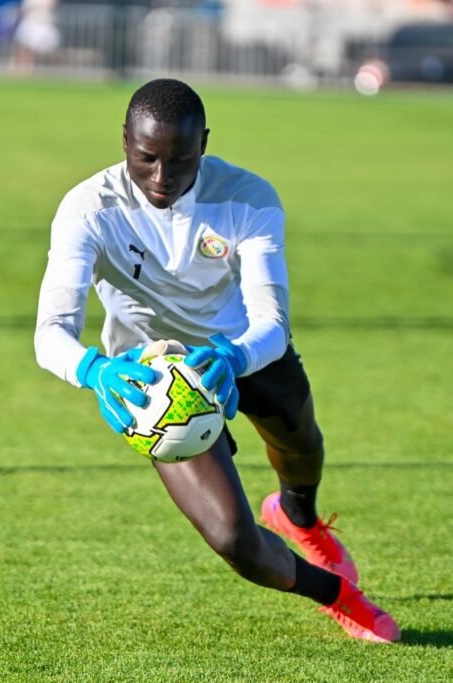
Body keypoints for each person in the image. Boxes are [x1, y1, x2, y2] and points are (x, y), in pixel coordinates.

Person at [34, 78, 400, 643]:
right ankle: (340, 594)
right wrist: (94, 370)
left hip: (242, 349)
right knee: (233, 539)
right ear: (125, 140)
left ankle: (298, 515)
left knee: (304, 449)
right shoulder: (87, 209)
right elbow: (50, 333)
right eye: (146, 158)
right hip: (154, 381)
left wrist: (233, 355)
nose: (162, 177)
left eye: (179, 160)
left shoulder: (248, 197)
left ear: (204, 142)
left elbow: (272, 323)